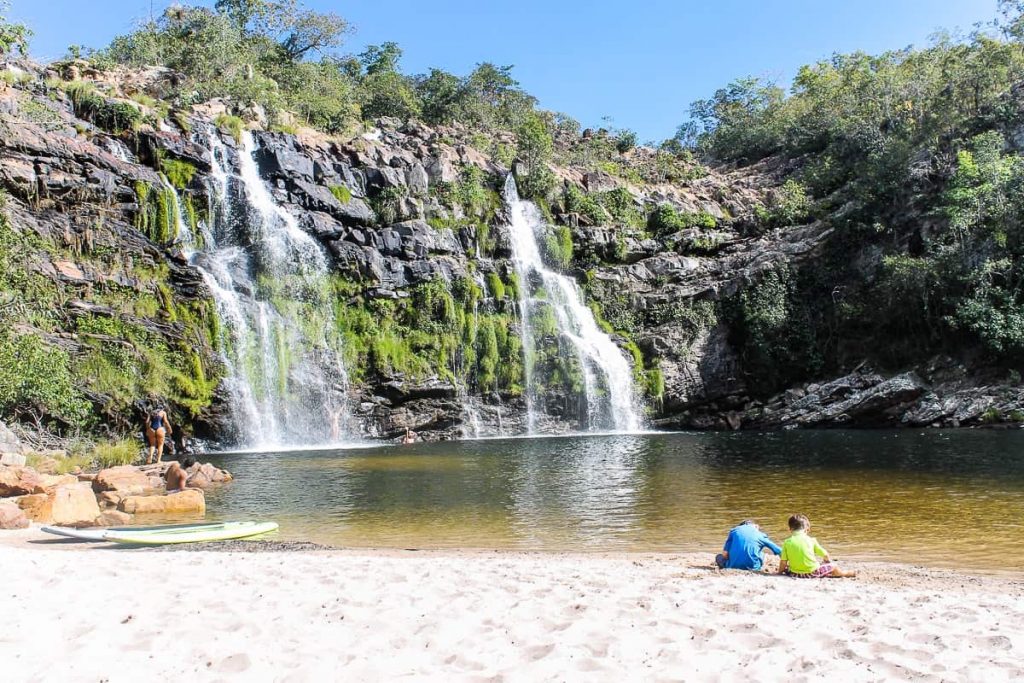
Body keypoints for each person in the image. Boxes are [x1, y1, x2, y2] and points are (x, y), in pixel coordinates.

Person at [779, 514, 856, 578]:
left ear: (790, 529)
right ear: (807, 529)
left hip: (795, 574)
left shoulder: (787, 542)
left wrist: (779, 572)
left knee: (788, 566)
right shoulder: (812, 540)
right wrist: (827, 562)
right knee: (833, 566)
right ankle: (844, 574)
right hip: (812, 573)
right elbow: (825, 555)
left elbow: (783, 562)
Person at [715, 519, 782, 571]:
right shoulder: (760, 534)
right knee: (762, 554)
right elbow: (779, 550)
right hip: (753, 567)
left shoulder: (734, 531)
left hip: (732, 566)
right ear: (756, 526)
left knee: (718, 557)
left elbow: (724, 554)